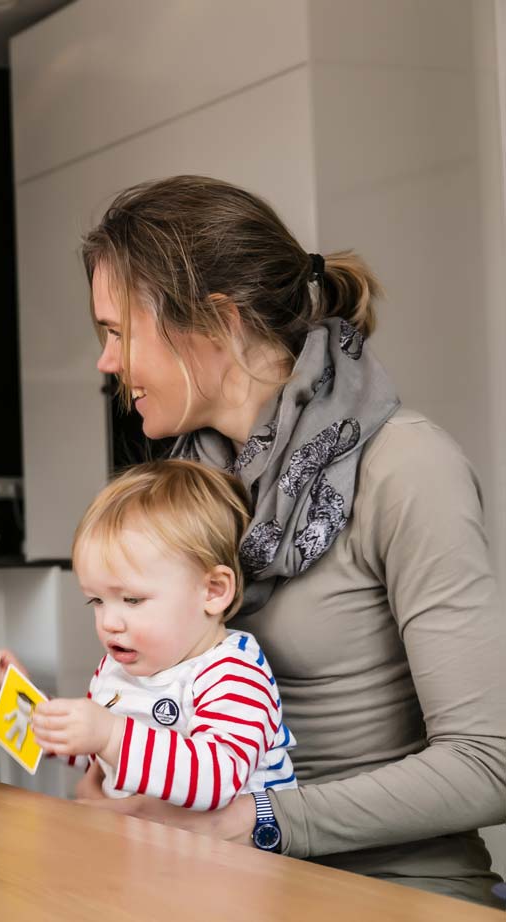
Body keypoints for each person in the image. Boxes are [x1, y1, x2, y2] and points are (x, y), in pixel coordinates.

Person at [55, 174, 504, 904]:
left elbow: (489, 764)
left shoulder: (405, 468)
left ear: (216, 320)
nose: (106, 363)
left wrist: (253, 821)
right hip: (219, 883)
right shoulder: (187, 487)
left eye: (116, 333)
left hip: (389, 890)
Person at [0, 460, 297, 812]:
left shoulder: (234, 674)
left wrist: (109, 734)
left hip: (235, 862)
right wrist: (33, 714)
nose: (109, 623)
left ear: (212, 591)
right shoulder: (118, 670)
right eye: (97, 601)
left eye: (132, 599)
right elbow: (102, 756)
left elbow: (217, 778)